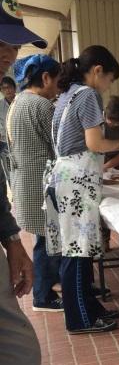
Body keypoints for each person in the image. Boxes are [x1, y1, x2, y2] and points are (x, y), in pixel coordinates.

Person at [45, 45, 119, 334]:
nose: (109, 85)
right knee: (77, 253)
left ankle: (89, 308)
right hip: (75, 182)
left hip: (65, 178)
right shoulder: (87, 94)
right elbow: (95, 144)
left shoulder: (67, 95)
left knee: (78, 251)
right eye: (110, 78)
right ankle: (80, 319)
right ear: (98, 70)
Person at [0, 0, 51, 365]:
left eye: (13, 45)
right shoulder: (38, 106)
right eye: (0, 43)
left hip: (18, 198)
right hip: (36, 184)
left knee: (18, 355)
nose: (7, 54)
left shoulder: (11, 104)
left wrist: (11, 239)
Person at [6, 54, 62, 312]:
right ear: (46, 77)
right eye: (57, 80)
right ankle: (43, 296)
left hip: (24, 182)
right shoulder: (43, 106)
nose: (58, 87)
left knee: (43, 239)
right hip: (41, 181)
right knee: (47, 240)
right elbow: (59, 147)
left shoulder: (16, 103)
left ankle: (49, 288)